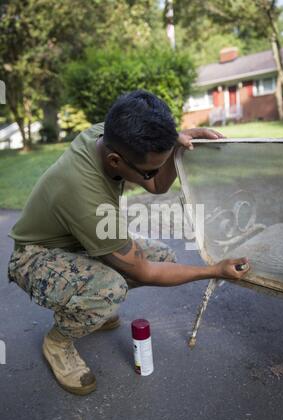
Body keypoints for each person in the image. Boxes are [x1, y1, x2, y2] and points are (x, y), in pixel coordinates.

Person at [7, 90, 249, 395]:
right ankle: (58, 341)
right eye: (150, 169)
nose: (155, 174)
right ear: (115, 161)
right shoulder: (85, 195)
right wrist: (214, 271)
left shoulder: (108, 134)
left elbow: (158, 185)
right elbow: (141, 272)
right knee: (110, 289)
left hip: (76, 240)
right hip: (35, 256)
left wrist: (177, 142)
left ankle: (89, 308)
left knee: (162, 256)